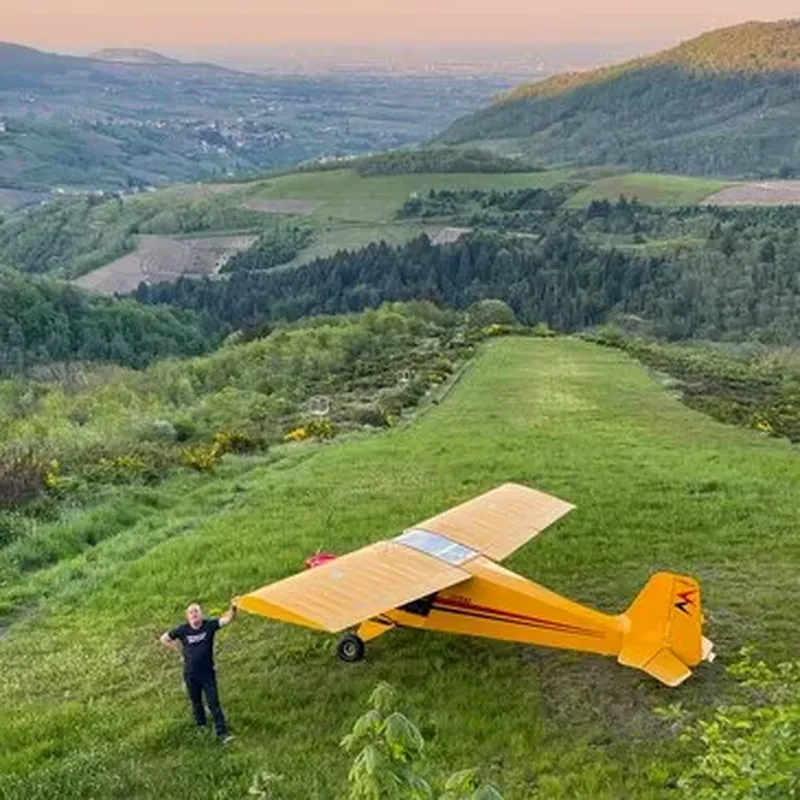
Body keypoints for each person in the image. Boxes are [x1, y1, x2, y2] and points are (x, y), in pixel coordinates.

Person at [160, 601, 237, 743]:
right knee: (196, 702)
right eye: (191, 612)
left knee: (213, 702)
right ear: (187, 617)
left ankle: (222, 733)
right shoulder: (183, 630)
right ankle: (201, 725)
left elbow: (227, 619)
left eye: (196, 611)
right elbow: (164, 639)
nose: (194, 614)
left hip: (207, 673)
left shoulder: (209, 626)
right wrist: (180, 650)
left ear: (201, 614)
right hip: (190, 675)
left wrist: (233, 608)